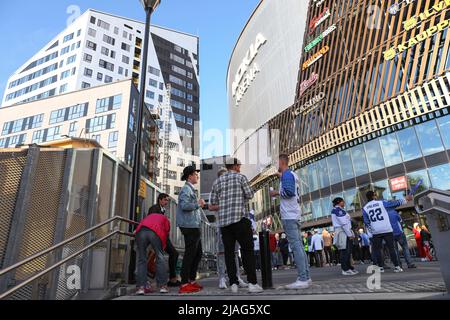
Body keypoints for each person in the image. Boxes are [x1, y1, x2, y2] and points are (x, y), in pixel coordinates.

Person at [210, 157, 263, 294]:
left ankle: (233, 283)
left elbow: (214, 203)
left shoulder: (217, 181)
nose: (240, 167)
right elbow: (250, 194)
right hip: (239, 219)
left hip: (225, 223)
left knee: (229, 253)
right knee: (247, 251)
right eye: (239, 165)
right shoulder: (240, 178)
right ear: (234, 166)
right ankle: (252, 283)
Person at [269, 154, 311, 289]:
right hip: (295, 214)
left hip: (290, 216)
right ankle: (306, 276)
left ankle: (303, 278)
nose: (276, 165)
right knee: (298, 246)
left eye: (277, 163)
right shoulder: (291, 175)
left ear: (281, 162)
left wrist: (275, 193)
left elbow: (289, 192)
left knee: (296, 246)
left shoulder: (287, 175)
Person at [209, 168, 248, 290]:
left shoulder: (233, 190)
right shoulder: (216, 188)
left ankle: (236, 277)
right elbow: (210, 206)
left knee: (235, 252)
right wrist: (225, 205)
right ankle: (222, 278)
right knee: (222, 252)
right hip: (221, 224)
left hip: (234, 222)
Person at [362, 191, 410, 273]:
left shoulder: (365, 207)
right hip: (386, 229)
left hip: (376, 231)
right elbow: (393, 204)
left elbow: (366, 222)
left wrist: (372, 230)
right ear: (374, 196)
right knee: (391, 249)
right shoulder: (381, 202)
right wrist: (404, 200)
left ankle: (380, 267)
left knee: (377, 250)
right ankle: (397, 266)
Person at [176, 166, 205, 294]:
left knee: (198, 253)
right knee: (190, 254)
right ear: (189, 177)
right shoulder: (186, 189)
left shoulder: (190, 189)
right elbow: (184, 205)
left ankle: (191, 280)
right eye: (195, 174)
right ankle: (184, 284)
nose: (197, 176)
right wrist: (197, 204)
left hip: (193, 225)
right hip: (189, 226)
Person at [148, 193, 180, 287]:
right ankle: (169, 280)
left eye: (167, 200)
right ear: (160, 200)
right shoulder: (154, 208)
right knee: (172, 254)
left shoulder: (162, 209)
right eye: (165, 200)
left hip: (163, 236)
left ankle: (171, 279)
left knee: (173, 254)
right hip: (158, 237)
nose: (167, 202)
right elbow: (152, 222)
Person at [135, 212, 171, 295]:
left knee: (142, 259)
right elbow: (166, 232)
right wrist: (162, 246)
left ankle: (141, 287)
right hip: (155, 232)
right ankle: (163, 286)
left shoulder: (149, 216)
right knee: (160, 257)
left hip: (140, 231)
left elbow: (140, 226)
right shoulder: (165, 218)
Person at [331, 197, 358, 276]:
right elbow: (344, 223)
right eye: (343, 201)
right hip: (342, 232)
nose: (344, 203)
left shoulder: (339, 210)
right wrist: (349, 234)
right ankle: (345, 269)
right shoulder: (337, 210)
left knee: (348, 251)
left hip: (345, 231)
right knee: (345, 251)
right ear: (339, 202)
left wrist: (350, 233)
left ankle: (348, 268)